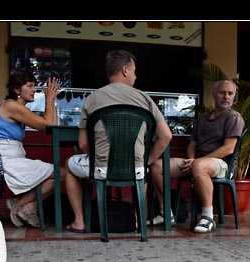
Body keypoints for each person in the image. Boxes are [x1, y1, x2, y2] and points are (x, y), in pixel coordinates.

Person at [62, 49, 173, 233]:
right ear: (125, 70)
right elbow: (166, 136)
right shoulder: (144, 99)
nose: (136, 77)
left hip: (101, 168)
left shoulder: (92, 98)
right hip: (135, 168)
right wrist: (147, 161)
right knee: (142, 170)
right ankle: (138, 221)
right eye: (134, 71)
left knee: (69, 164)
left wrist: (99, 157)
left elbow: (82, 144)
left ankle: (80, 221)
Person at [149, 79, 245, 233]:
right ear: (214, 94)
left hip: (222, 164)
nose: (226, 96)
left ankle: (208, 217)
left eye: (230, 93)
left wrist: (198, 162)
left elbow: (229, 148)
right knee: (156, 166)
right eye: (222, 92)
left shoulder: (233, 117)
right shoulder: (203, 118)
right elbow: (192, 144)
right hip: (197, 161)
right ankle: (166, 213)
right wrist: (191, 159)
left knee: (199, 166)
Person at [0, 69, 65, 227]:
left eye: (34, 86)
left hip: (14, 157)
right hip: (4, 159)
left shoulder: (21, 109)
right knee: (60, 173)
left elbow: (51, 125)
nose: (34, 90)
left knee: (61, 174)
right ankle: (19, 204)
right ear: (17, 90)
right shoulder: (10, 106)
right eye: (29, 86)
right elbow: (48, 125)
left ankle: (28, 206)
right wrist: (48, 97)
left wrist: (51, 99)